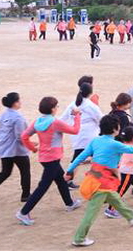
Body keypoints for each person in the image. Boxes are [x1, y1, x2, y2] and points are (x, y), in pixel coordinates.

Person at [64, 115, 133, 247]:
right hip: (104, 182)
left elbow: (80, 157)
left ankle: (130, 215)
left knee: (114, 198)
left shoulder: (96, 141)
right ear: (114, 129)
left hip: (94, 177)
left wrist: (69, 171)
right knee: (92, 212)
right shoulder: (115, 144)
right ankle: (79, 238)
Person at [16, 97, 82, 226]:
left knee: (61, 180)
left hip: (45, 157)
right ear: (52, 109)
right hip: (53, 158)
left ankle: (70, 203)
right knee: (43, 187)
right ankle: (23, 212)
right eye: (56, 106)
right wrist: (77, 116)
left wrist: (32, 148)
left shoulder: (37, 121)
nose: (57, 108)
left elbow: (24, 136)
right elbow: (75, 130)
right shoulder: (55, 122)